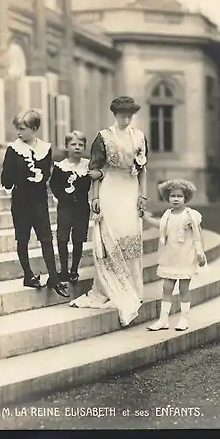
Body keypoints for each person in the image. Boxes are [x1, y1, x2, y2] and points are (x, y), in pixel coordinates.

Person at [69, 96, 148, 327]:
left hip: (130, 190)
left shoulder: (140, 137)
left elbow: (143, 169)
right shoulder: (103, 137)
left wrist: (143, 195)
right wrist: (94, 197)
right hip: (110, 189)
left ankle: (132, 287)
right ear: (114, 114)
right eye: (121, 114)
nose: (125, 118)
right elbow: (95, 169)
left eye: (129, 114)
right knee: (111, 237)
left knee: (131, 237)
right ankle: (108, 288)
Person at [0, 109, 69, 297]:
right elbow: (6, 178)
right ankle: (28, 275)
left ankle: (53, 277)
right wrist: (20, 177)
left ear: (35, 128)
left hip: (39, 201)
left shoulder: (45, 148)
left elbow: (47, 172)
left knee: (46, 238)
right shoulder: (13, 149)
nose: (19, 133)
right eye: (17, 129)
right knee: (22, 238)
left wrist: (40, 177)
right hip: (21, 200)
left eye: (22, 129)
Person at [140, 179, 207, 331]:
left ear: (186, 198)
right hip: (170, 256)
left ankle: (184, 319)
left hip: (186, 256)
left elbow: (198, 234)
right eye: (172, 196)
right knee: (167, 287)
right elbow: (160, 225)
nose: (176, 199)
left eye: (179, 196)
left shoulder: (190, 215)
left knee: (184, 289)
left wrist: (200, 251)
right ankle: (163, 320)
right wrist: (146, 218)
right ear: (167, 197)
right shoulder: (167, 214)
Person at [49, 130, 102, 284]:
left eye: (80, 145)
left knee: (78, 240)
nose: (77, 147)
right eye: (73, 144)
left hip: (81, 209)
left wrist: (98, 173)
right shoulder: (60, 166)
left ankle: (74, 270)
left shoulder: (87, 165)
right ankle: (64, 270)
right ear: (67, 146)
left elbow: (98, 177)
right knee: (62, 238)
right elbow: (54, 185)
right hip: (65, 208)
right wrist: (63, 197)